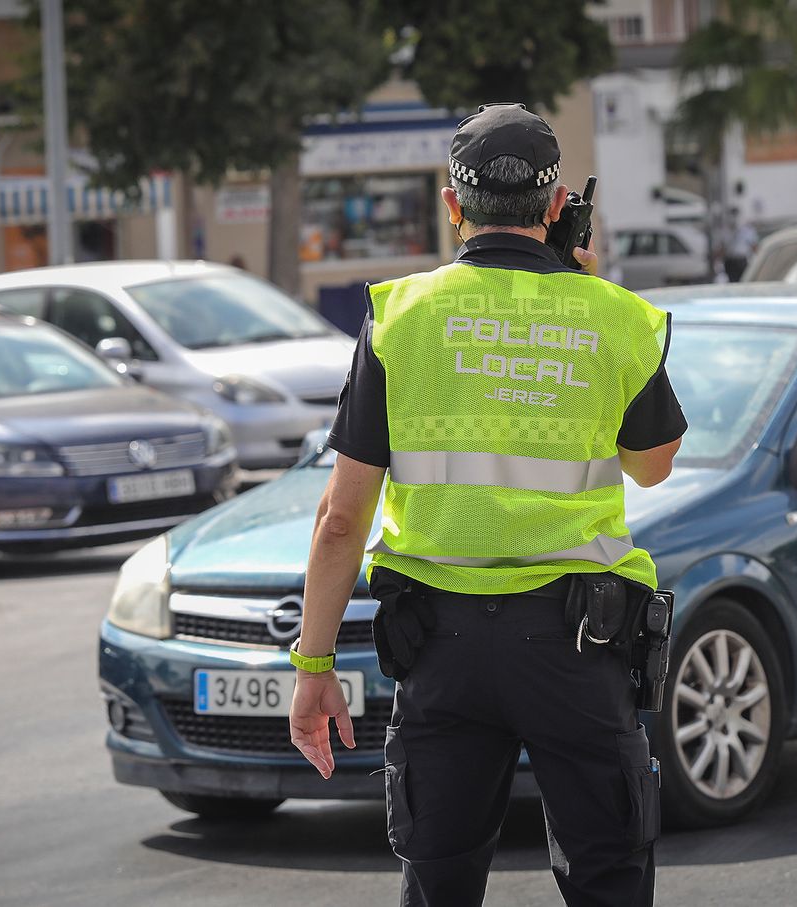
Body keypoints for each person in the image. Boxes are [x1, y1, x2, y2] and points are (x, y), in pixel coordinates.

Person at [287, 102, 687, 907]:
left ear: (452, 204)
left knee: (438, 884)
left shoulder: (399, 317)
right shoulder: (615, 317)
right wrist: (587, 288)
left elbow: (340, 518)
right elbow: (652, 466)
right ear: (556, 205)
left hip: (440, 648)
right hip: (578, 643)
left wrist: (314, 665)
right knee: (608, 876)